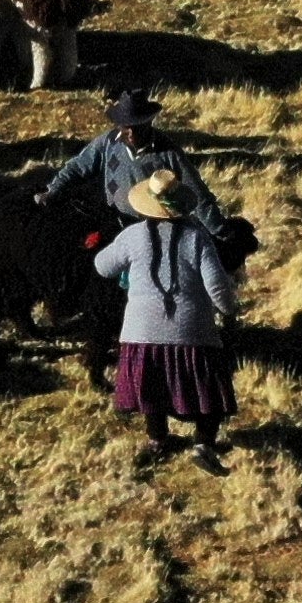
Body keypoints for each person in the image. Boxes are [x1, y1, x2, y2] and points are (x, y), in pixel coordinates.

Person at [91, 170, 241, 461]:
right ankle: (203, 444)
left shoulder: (131, 236)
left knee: (150, 389)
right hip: (193, 330)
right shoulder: (198, 238)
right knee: (205, 388)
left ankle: (158, 441)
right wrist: (230, 311)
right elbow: (217, 285)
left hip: (141, 331)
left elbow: (102, 266)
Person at [34, 90, 217, 232]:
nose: (128, 133)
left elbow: (198, 195)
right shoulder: (108, 142)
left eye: (134, 127)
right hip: (113, 223)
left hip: (154, 229)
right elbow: (77, 166)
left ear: (147, 123)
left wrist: (220, 231)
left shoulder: (168, 153)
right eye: (124, 126)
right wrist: (54, 190)